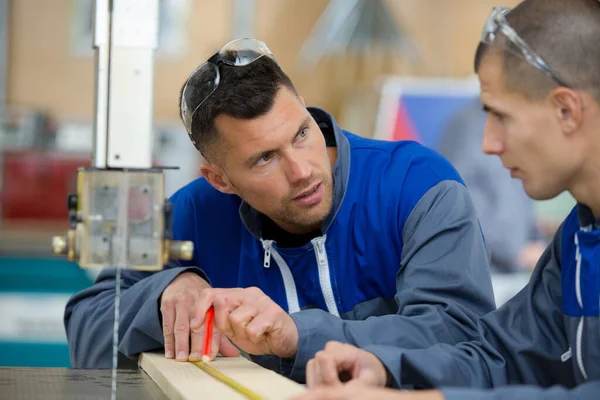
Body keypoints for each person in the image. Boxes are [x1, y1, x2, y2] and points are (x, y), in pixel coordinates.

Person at [63, 38, 495, 381]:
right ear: (220, 179)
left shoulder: (417, 186)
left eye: (301, 133)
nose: (302, 170)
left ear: (304, 107)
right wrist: (165, 294)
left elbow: (460, 339)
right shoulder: (194, 212)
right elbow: (88, 326)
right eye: (264, 158)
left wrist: (296, 337)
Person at [293, 0, 600, 398]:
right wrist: (386, 367)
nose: (487, 143)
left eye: (500, 115)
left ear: (567, 110)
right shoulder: (578, 239)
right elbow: (502, 355)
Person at [439, 100, 545, 274]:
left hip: (517, 268)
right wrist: (515, 251)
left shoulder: (518, 115)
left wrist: (534, 237)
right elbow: (454, 199)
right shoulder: (468, 124)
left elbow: (514, 196)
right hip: (482, 271)